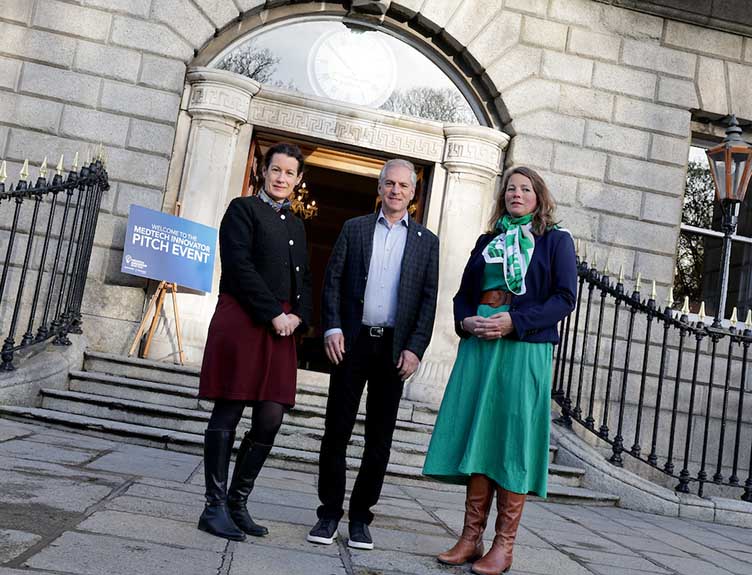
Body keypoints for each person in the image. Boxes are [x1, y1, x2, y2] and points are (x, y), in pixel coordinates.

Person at [422, 166, 577, 575]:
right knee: (481, 435)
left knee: (511, 440)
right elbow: (462, 296)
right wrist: (466, 321)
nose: (516, 194)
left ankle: (503, 546)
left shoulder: (555, 241)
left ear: (539, 197)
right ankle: (469, 539)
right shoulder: (487, 241)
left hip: (523, 347)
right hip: (481, 346)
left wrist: (515, 321)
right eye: (510, 189)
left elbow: (565, 298)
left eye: (525, 189)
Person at [307, 158, 439, 550]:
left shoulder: (426, 242)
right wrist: (331, 326)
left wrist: (416, 349)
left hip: (395, 349)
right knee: (337, 430)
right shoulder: (355, 229)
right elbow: (331, 282)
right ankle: (329, 514)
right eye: (389, 184)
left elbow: (428, 302)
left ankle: (361, 518)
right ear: (379, 188)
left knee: (379, 439)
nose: (395, 190)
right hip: (353, 341)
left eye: (403, 185)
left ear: (413, 194)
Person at [197, 142, 312, 541]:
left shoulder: (296, 223)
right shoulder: (242, 209)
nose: (282, 178)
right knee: (229, 408)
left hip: (282, 326)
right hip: (245, 319)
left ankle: (236, 502)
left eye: (289, 173)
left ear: (298, 180)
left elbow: (305, 279)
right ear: (263, 172)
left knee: (270, 416)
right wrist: (274, 314)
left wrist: (299, 315)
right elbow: (240, 267)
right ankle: (213, 508)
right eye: (276, 170)